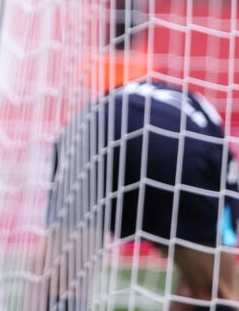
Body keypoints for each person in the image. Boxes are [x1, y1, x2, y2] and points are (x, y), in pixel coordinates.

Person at [46, 80, 239, 310]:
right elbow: (198, 288)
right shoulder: (226, 188)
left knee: (62, 277)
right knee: (215, 290)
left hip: (87, 131)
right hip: (173, 149)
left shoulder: (188, 110)